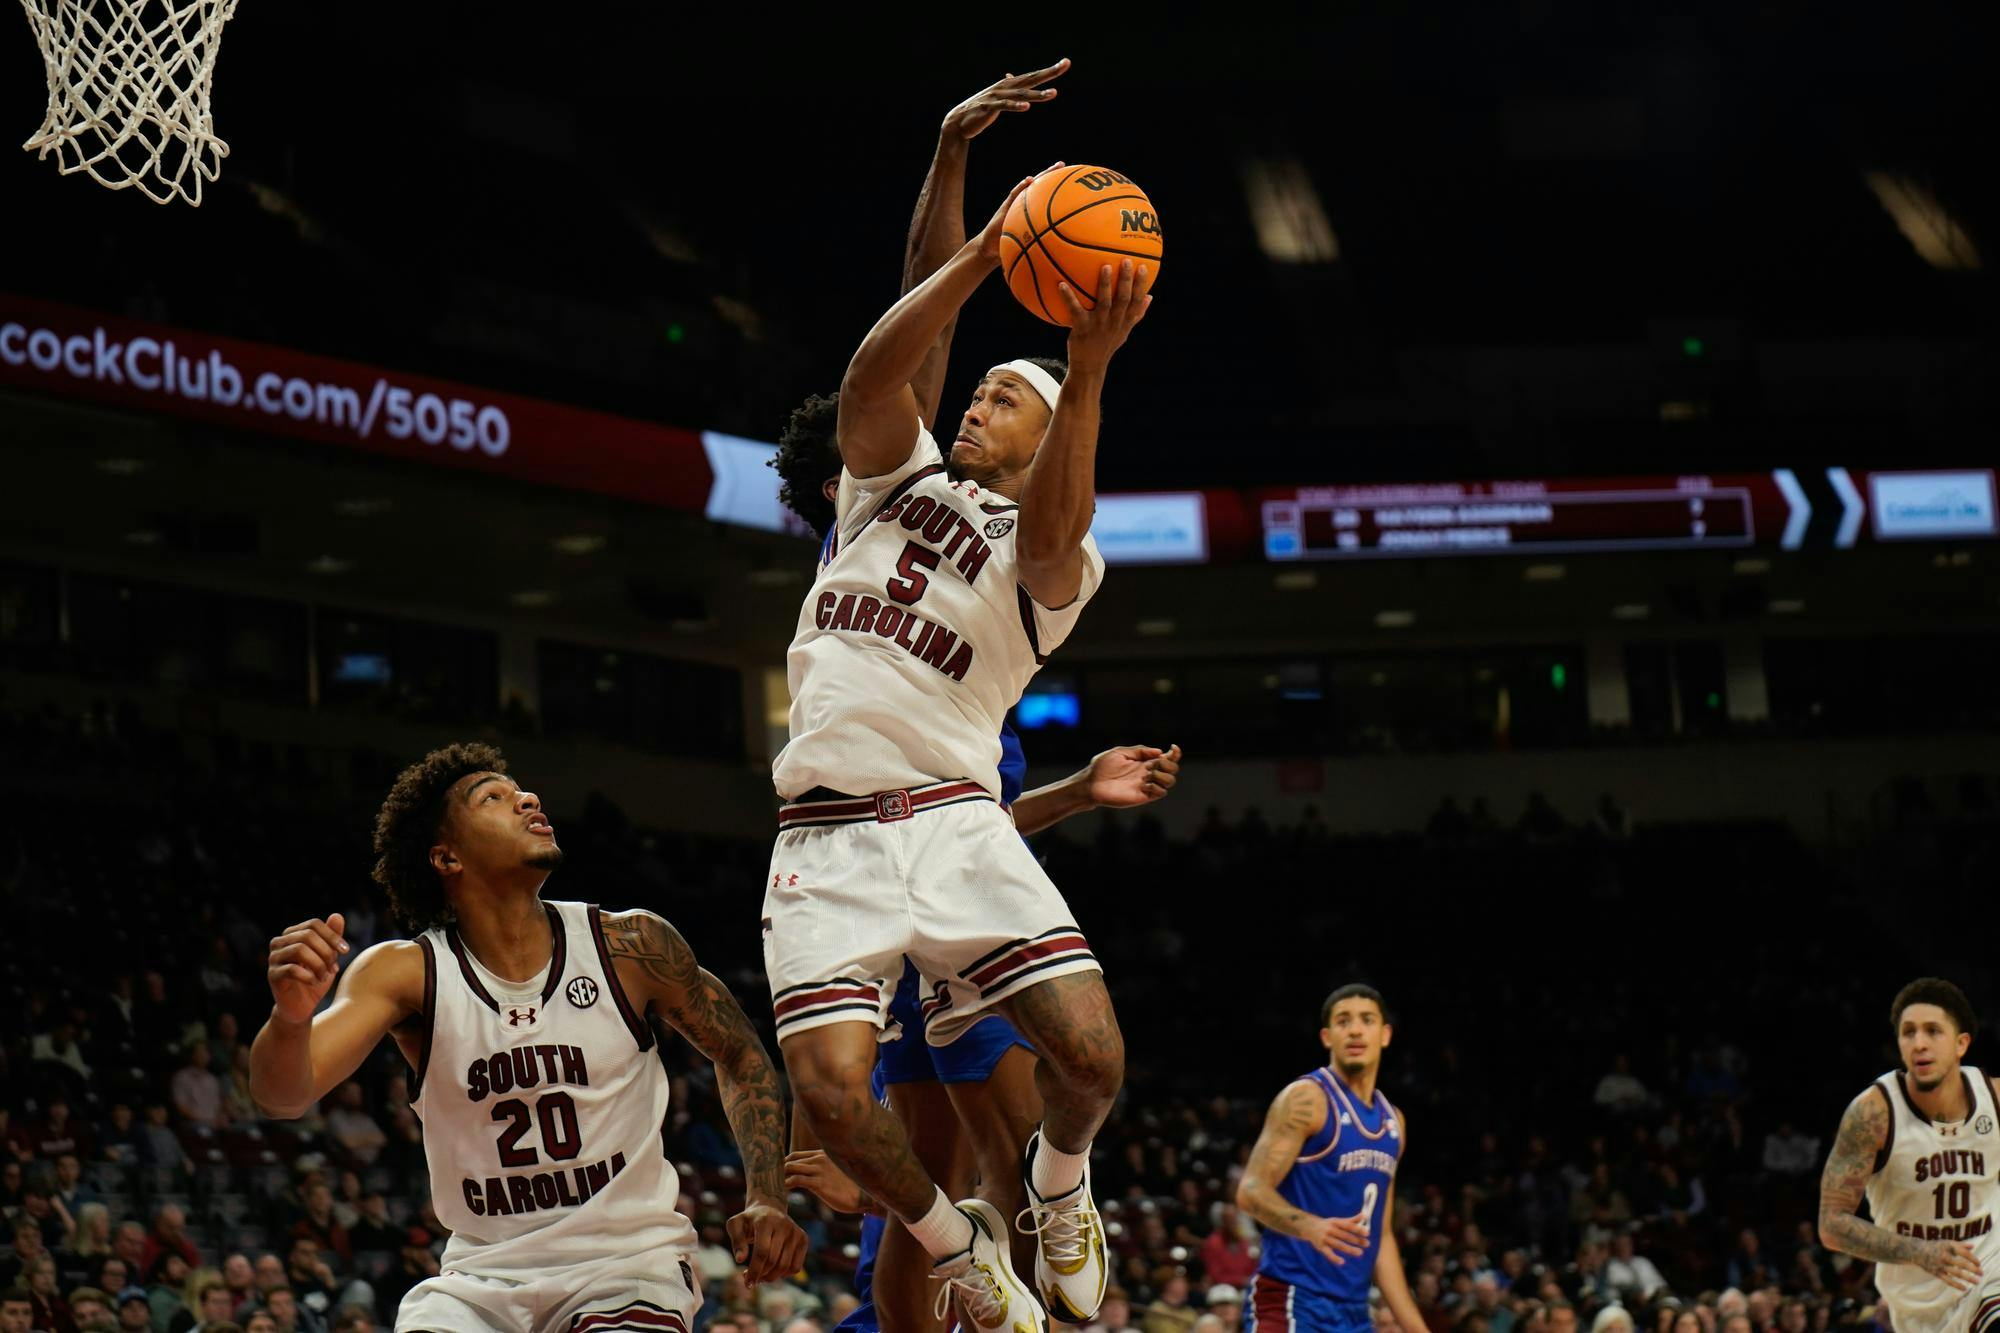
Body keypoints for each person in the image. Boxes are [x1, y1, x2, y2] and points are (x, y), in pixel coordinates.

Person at [769, 61, 1180, 1333]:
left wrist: (1086, 367)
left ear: (1045, 436)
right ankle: (957, 1250)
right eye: (983, 388)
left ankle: (1060, 1190)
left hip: (953, 821)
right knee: (839, 1105)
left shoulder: (1052, 557)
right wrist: (965, 195)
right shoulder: (882, 491)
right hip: (826, 833)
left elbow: (1058, 526)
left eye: (1008, 396)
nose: (978, 400)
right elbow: (893, 356)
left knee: (1092, 1060)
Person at [248, 743, 806, 1333]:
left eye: (522, 792)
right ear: (446, 857)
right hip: (482, 1279)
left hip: (627, 1266)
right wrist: (290, 1017)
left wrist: (767, 1196)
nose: (528, 800)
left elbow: (741, 1050)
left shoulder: (631, 946)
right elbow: (281, 1096)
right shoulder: (406, 973)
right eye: (493, 797)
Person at [1236, 984, 1426, 1333]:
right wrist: (1309, 1225)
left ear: (1384, 1035)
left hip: (1353, 1313)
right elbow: (1250, 1191)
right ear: (1327, 1037)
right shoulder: (1307, 1099)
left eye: (1366, 1020)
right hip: (1292, 1299)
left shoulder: (1392, 1122)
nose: (1354, 1029)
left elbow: (1381, 1239)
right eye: (1343, 1021)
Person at [1818, 977, 2000, 1333]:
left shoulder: (1995, 1100)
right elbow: (1831, 1224)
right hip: (1919, 1307)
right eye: (1909, 1032)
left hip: (1990, 1276)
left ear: (1961, 1043)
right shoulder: (1874, 1114)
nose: (1919, 1043)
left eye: (1933, 1031)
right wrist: (1920, 1251)